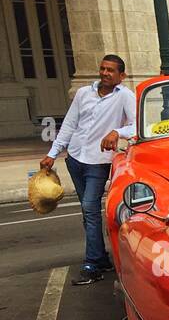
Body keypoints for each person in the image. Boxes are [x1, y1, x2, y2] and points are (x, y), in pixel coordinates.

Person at [40, 55, 135, 285]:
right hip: (75, 158)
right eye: (102, 68)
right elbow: (70, 125)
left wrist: (117, 132)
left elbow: (136, 124)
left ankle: (92, 264)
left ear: (120, 76)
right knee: (88, 212)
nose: (104, 73)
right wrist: (53, 154)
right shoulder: (84, 93)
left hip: (98, 161)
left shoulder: (125, 96)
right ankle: (101, 258)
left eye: (110, 70)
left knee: (90, 207)